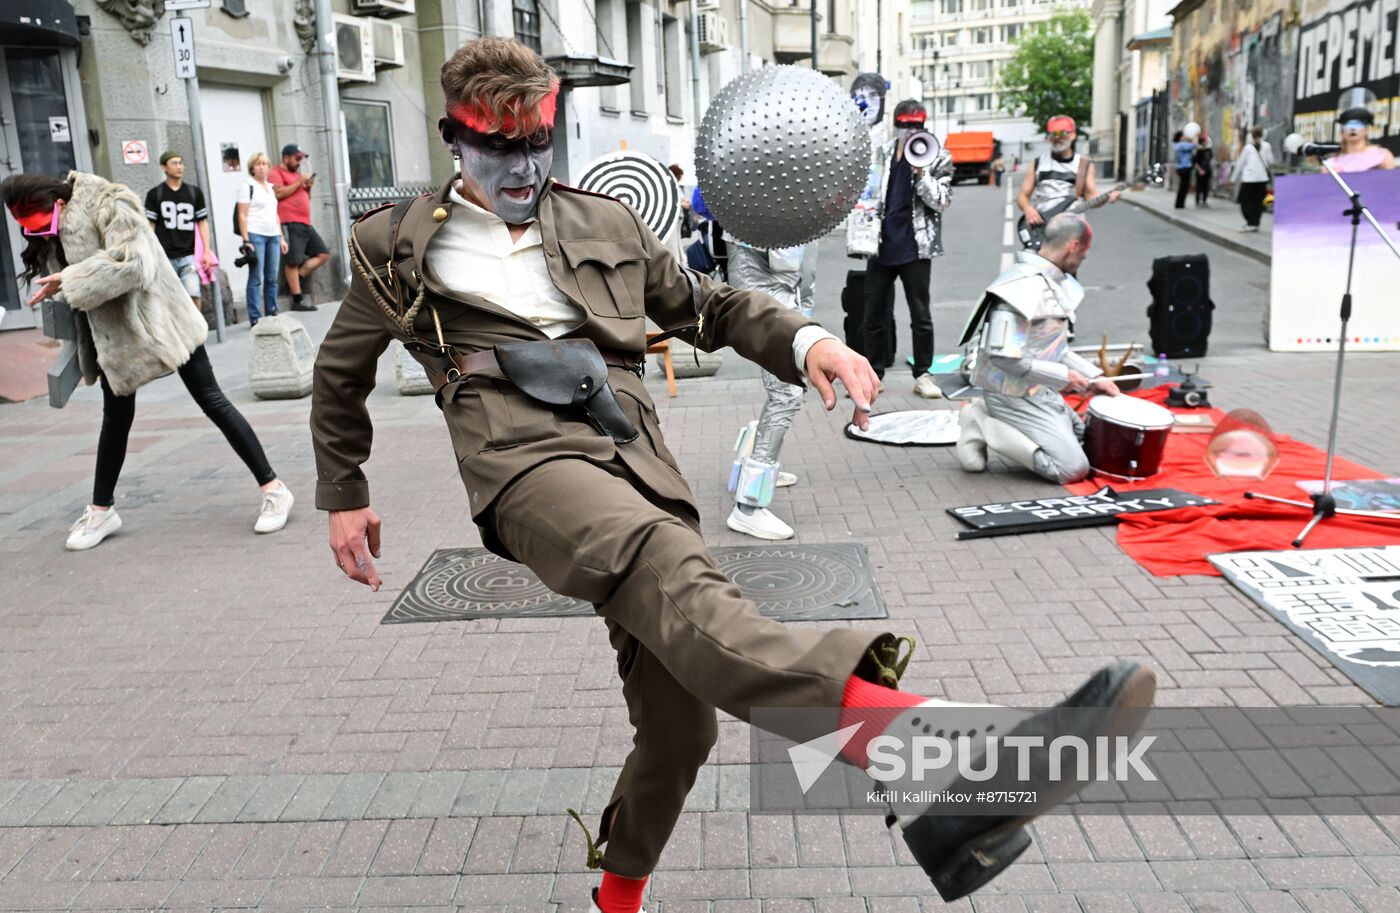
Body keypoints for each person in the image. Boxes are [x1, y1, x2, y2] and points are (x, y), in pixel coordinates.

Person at [311, 38, 1154, 913]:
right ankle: (938, 755)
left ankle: (620, 893)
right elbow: (339, 376)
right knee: (662, 566)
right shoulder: (396, 245)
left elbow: (707, 306)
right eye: (499, 149)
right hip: (520, 465)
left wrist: (805, 338)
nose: (523, 167)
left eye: (537, 145)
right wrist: (346, 493)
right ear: (457, 137)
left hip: (632, 460)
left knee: (681, 725)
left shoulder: (604, 222)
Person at [2, 172, 294, 550]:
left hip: (163, 322)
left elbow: (136, 265)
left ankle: (274, 488)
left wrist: (72, 279)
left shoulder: (110, 201)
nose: (35, 232)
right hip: (118, 340)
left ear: (54, 201)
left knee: (212, 400)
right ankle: (102, 510)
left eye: (37, 222)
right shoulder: (56, 221)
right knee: (116, 419)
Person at [956, 213, 1120, 484]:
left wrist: (1095, 377)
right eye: (1083, 255)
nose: (1081, 262)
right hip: (1008, 392)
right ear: (1074, 246)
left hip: (1036, 387)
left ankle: (1015, 423)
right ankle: (982, 422)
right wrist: (1065, 377)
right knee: (1072, 469)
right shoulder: (1020, 285)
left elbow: (1057, 349)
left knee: (1089, 443)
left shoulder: (1050, 282)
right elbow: (1004, 358)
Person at [860, 99, 953, 399]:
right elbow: (871, 192)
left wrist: (922, 174)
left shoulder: (938, 156)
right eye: (906, 125)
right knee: (873, 313)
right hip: (881, 245)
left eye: (917, 125)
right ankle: (874, 375)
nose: (911, 131)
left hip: (916, 248)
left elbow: (942, 201)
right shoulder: (883, 152)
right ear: (897, 125)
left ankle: (923, 375)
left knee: (920, 315)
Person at [723, 242, 813, 540]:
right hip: (771, 302)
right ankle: (748, 505)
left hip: (765, 299)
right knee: (786, 394)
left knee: (780, 392)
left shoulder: (739, 201)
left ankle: (751, 471)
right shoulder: (766, 207)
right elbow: (786, 260)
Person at [1017, 115, 1120, 230]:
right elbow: (1022, 196)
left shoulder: (1084, 165)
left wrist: (1106, 196)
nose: (1057, 137)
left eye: (1063, 133)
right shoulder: (1037, 163)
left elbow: (1091, 197)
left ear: (1073, 135)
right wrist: (1028, 209)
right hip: (1042, 227)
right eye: (1053, 134)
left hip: (1073, 229)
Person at [144, 150, 214, 308]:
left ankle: (196, 331)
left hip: (188, 255)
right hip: (164, 256)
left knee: (193, 293)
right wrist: (150, 252)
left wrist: (206, 252)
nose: (179, 167)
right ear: (164, 167)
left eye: (181, 163)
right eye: (174, 163)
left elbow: (203, 223)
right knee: (167, 299)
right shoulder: (155, 194)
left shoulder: (194, 192)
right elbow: (150, 226)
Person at [268, 142, 328, 311]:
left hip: (304, 222)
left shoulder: (297, 175)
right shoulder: (276, 172)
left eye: (300, 159)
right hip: (289, 221)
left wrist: (307, 188)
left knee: (323, 254)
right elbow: (277, 194)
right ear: (286, 158)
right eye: (296, 158)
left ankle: (295, 280)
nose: (299, 162)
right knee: (293, 261)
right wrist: (299, 182)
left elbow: (304, 199)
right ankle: (297, 299)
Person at [237, 152, 288, 326]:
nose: (262, 167)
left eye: (265, 164)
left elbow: (275, 214)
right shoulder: (247, 186)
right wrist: (246, 240)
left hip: (273, 235)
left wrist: (281, 237)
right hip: (256, 234)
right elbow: (242, 215)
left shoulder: (271, 187)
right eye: (258, 164)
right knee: (256, 277)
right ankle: (255, 316)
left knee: (272, 276)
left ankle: (272, 312)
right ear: (252, 167)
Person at [1327, 91, 1396, 173]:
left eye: (1358, 124)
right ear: (1342, 131)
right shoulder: (1332, 162)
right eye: (1348, 124)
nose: (1353, 129)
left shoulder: (1382, 155)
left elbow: (1391, 182)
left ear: (1366, 130)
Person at [1232, 127, 1274, 233]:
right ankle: (1255, 222)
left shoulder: (1248, 148)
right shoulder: (1267, 146)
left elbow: (1240, 163)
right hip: (1262, 179)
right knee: (1258, 202)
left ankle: (1251, 222)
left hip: (1249, 179)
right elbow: (1270, 161)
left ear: (1252, 135)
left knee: (1245, 202)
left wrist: (1233, 178)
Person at [1172, 130, 1197, 209]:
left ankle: (1179, 203)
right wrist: (1195, 136)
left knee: (1183, 187)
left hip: (1181, 168)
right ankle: (1179, 204)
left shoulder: (1178, 145)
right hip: (1184, 168)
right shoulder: (1181, 145)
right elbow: (1194, 145)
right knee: (1184, 187)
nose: (1185, 137)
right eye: (1184, 136)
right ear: (1180, 137)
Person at [1193, 134, 1214, 206]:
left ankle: (1205, 200)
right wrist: (1200, 170)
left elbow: (1211, 160)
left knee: (1206, 186)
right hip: (1200, 171)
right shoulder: (1199, 151)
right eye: (1205, 141)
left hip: (1207, 170)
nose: (1206, 142)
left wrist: (1210, 168)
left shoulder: (1209, 150)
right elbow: (1195, 162)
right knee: (1199, 186)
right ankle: (1197, 200)